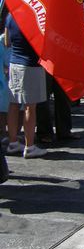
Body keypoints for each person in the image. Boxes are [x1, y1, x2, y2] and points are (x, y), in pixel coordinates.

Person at [4, 14, 48, 158]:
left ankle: (13, 142)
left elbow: (6, 42)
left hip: (14, 62)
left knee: (14, 103)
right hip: (31, 65)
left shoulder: (10, 16)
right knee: (30, 106)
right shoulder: (34, 16)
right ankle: (30, 146)